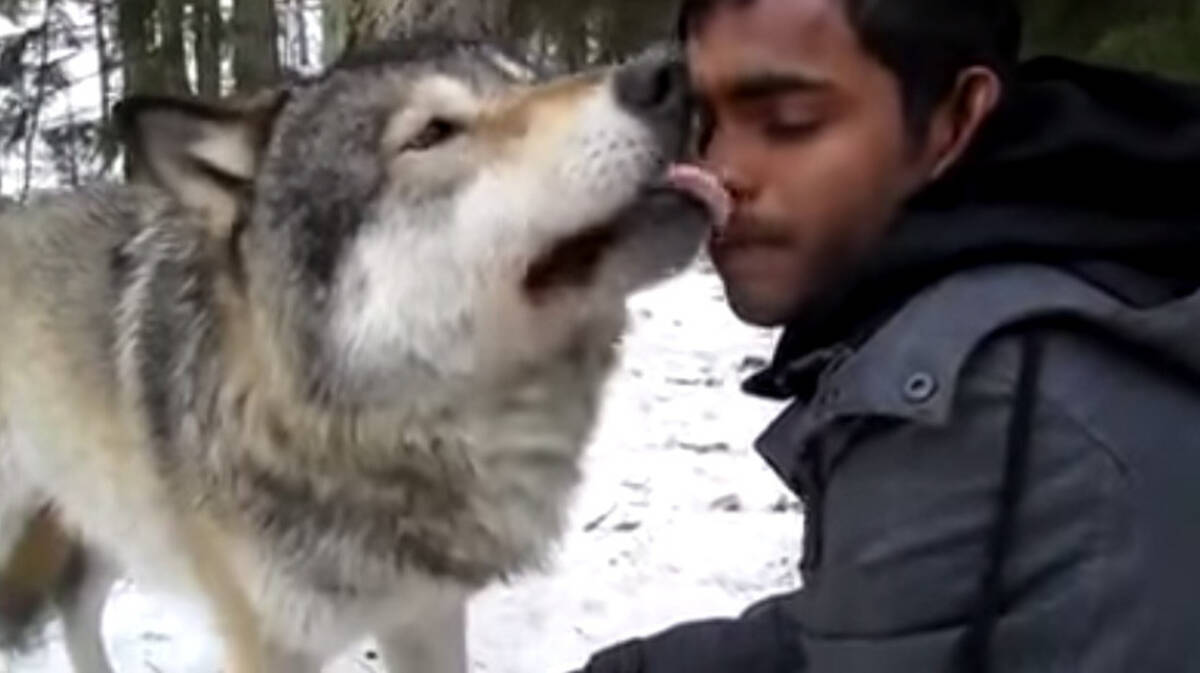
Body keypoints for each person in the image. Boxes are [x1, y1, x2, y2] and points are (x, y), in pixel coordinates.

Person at [576, 0, 1200, 671]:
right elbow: (885, 628)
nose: (719, 171)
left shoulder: (979, 398)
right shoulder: (1076, 269)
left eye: (790, 122)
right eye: (705, 124)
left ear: (955, 117)